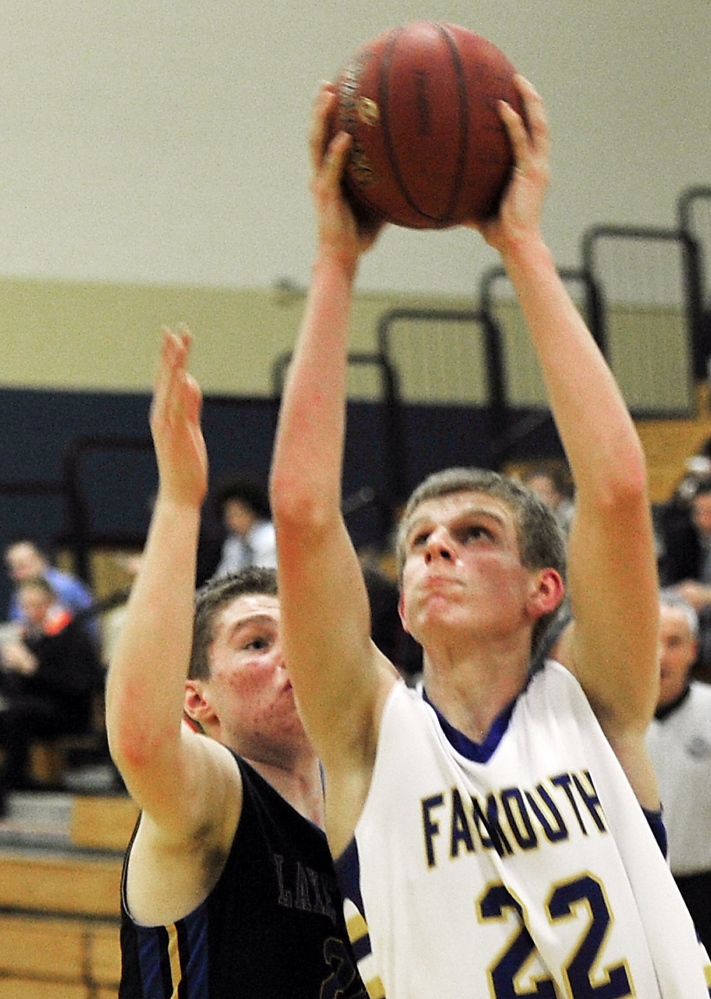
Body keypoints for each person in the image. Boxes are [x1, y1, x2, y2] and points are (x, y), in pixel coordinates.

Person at [269, 78, 711, 997]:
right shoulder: (367, 735)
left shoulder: (593, 702)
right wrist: (334, 261)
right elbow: (304, 518)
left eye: (475, 534)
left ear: (543, 588)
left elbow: (617, 488)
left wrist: (521, 246)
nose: (437, 548)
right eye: (420, 540)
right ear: (400, 599)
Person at [106, 330, 365, 998]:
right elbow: (141, 739)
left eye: (297, 635)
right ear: (197, 699)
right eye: (255, 642)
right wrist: (177, 503)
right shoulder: (214, 794)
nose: (292, 655)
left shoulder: (361, 804)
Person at [0, 575, 102, 810]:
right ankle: (12, 779)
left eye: (36, 605)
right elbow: (17, 688)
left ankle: (11, 782)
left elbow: (76, 685)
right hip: (31, 707)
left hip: (67, 711)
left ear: (51, 602)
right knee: (9, 713)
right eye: (24, 606)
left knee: (15, 715)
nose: (30, 612)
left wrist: (32, 668)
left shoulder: (71, 633)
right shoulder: (29, 635)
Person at [646, 592, 711, 955]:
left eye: (673, 643)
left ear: (693, 650)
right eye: (652, 640)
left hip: (703, 885)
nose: (660, 655)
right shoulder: (607, 717)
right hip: (641, 886)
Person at [4, 537, 99, 646]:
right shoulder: (20, 592)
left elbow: (89, 626)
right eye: (13, 568)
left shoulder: (65, 587)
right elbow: (18, 625)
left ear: (40, 559)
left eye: (22, 566)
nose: (17, 574)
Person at [210, 474, 277, 578]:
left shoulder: (271, 538)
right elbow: (222, 578)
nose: (233, 521)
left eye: (238, 514)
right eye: (229, 516)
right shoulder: (233, 545)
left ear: (253, 512)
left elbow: (265, 578)